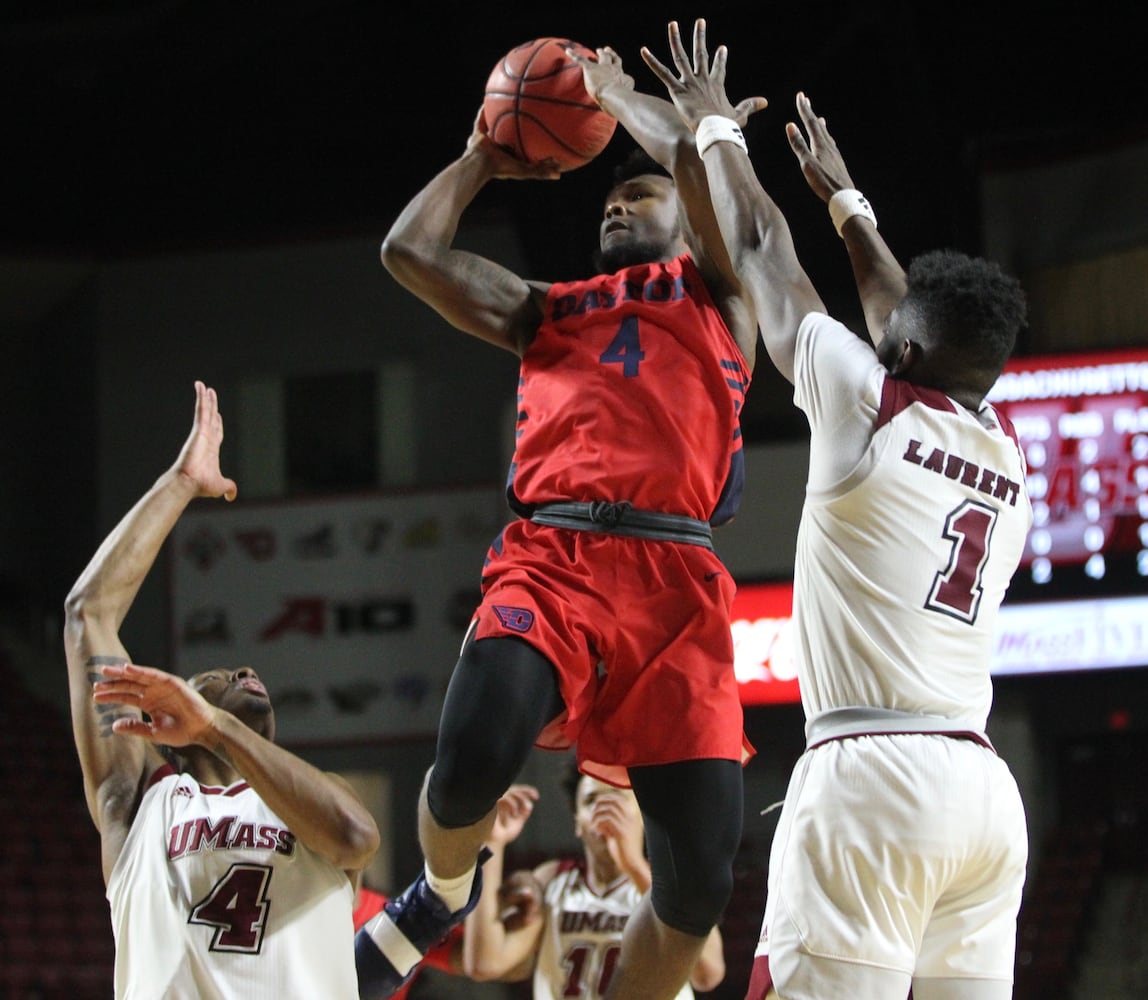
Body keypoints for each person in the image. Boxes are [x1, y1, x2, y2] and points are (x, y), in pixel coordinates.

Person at [353, 42, 766, 1000]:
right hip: (554, 558)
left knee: (699, 882)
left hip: (675, 583)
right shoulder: (547, 310)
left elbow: (704, 178)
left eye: (639, 198)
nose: (618, 204)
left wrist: (618, 98)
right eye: (609, 201)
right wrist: (482, 157)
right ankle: (441, 893)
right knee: (465, 770)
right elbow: (406, 253)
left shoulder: (720, 295)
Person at [640, 20, 1032, 1000]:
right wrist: (849, 204)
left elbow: (766, 250)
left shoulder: (865, 404)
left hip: (870, 779)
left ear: (897, 348)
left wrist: (717, 135)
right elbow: (908, 317)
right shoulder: (1002, 448)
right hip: (982, 795)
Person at [63, 380, 381, 999]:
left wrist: (214, 725)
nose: (242, 673)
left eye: (243, 675)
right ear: (167, 717)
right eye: (216, 677)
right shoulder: (138, 804)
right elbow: (88, 615)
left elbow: (356, 838)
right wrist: (182, 482)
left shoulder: (311, 800)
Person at [462, 778, 725, 999]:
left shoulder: (676, 883)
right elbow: (485, 963)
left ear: (644, 814)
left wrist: (632, 863)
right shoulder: (553, 879)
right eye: (590, 801)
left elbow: (708, 973)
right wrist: (491, 842)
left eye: (616, 797)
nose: (603, 808)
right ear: (577, 823)